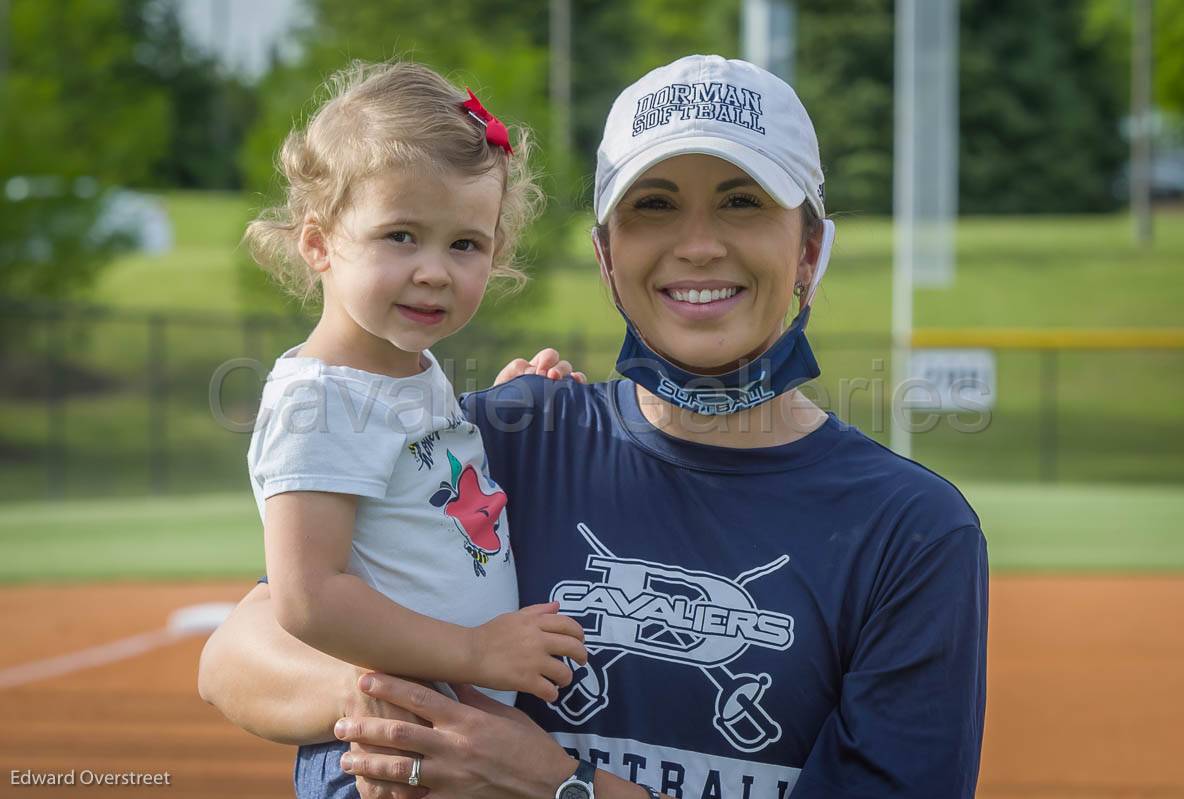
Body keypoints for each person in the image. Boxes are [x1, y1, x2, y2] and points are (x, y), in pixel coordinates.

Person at [200, 54, 988, 799]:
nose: (699, 243)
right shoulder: (509, 438)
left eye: (743, 201)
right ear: (606, 255)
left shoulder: (913, 531)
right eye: (654, 205)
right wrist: (404, 706)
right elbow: (238, 655)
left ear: (809, 247)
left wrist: (559, 784)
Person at [240, 57, 590, 723]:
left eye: (464, 244)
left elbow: (416, 488)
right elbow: (308, 597)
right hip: (385, 749)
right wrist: (474, 650)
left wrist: (502, 406)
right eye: (400, 235)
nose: (433, 271)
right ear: (319, 242)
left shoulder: (403, 372)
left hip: (447, 727)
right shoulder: (320, 400)